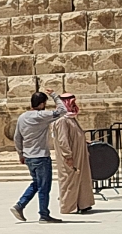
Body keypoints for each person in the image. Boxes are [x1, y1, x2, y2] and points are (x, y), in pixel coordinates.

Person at [10, 92, 65, 223]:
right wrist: (55, 95)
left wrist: (21, 154)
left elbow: (17, 138)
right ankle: (44, 215)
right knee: (44, 187)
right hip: (41, 156)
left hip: (29, 156)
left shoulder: (22, 117)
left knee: (37, 183)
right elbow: (63, 111)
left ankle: (20, 205)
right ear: (41, 104)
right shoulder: (42, 116)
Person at [50, 93, 95, 215]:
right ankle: (69, 206)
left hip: (78, 153)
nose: (74, 105)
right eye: (72, 103)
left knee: (81, 177)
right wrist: (68, 156)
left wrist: (83, 141)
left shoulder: (70, 118)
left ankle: (83, 203)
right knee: (69, 179)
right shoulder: (61, 120)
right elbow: (63, 140)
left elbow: (73, 135)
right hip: (70, 156)